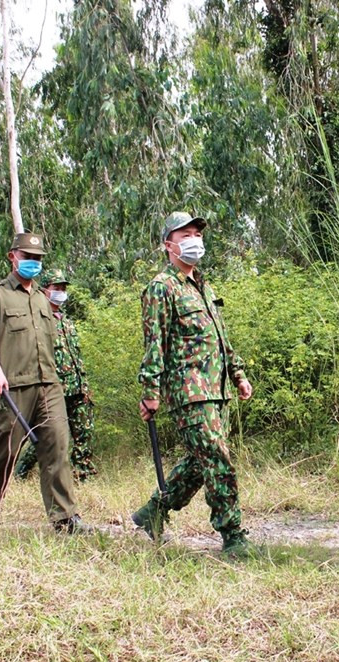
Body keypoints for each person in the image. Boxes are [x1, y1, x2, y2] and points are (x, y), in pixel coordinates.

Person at [132, 211, 254, 556]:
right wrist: (150, 392)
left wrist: (238, 374)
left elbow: (220, 337)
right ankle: (233, 536)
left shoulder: (203, 285)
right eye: (184, 234)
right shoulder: (161, 288)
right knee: (218, 460)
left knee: (202, 461)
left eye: (197, 234)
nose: (194, 240)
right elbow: (154, 342)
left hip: (217, 390)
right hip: (189, 391)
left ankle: (153, 511)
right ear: (168, 244)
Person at [0, 233, 88, 534]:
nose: (32, 263)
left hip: (49, 384)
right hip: (13, 385)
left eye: (37, 259)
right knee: (6, 448)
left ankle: (64, 517)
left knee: (57, 445)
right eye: (27, 257)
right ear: (12, 256)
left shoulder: (41, 298)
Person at [14, 268, 97, 481]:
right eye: (56, 288)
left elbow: (75, 357)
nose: (60, 292)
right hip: (55, 389)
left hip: (77, 388)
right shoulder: (40, 319)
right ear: (44, 290)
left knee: (84, 432)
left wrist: (85, 386)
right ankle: (21, 472)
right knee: (47, 435)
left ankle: (83, 475)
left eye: (63, 288)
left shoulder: (67, 322)